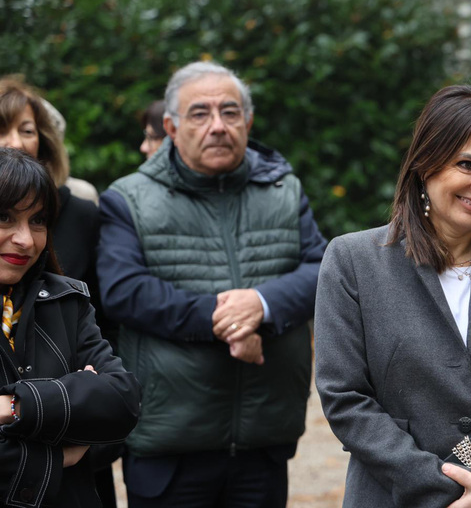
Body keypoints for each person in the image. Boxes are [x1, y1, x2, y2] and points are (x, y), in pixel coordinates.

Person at [315, 85, 471, 508]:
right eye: (467, 165)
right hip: (393, 498)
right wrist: (447, 488)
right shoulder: (352, 261)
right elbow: (346, 400)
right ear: (426, 162)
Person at [97, 61, 327, 507]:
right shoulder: (128, 198)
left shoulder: (283, 188)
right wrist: (226, 320)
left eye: (230, 112)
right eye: (200, 114)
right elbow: (124, 290)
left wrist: (261, 304)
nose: (218, 126)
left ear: (249, 121)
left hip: (264, 439)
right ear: (171, 126)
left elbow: (323, 269)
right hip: (169, 441)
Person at [0, 77, 122, 507]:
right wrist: (61, 439)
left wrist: (13, 409)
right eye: (5, 219)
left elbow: (121, 398)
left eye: (37, 222)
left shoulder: (66, 298)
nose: (24, 240)